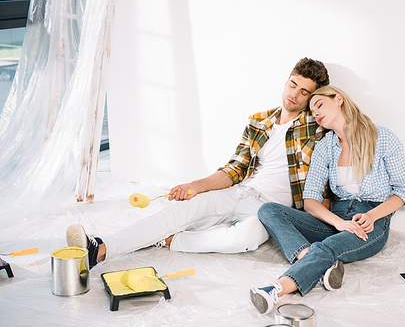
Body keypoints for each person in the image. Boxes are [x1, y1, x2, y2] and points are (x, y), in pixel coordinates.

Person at [66, 58, 331, 269]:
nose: (294, 94)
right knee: (177, 213)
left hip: (268, 210)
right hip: (238, 192)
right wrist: (195, 186)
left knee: (245, 238)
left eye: (304, 92)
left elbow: (340, 120)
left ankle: (173, 240)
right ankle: (100, 249)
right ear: (286, 81)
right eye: (293, 84)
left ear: (312, 99)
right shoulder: (259, 121)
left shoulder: (313, 127)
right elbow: (234, 169)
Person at [250, 85, 405, 314]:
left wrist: (371, 215)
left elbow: (404, 190)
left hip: (372, 220)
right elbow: (310, 201)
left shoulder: (382, 137)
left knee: (327, 246)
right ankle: (316, 263)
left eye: (319, 105)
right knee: (269, 210)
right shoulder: (325, 147)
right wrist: (338, 223)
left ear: (338, 99)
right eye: (312, 111)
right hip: (336, 217)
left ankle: (275, 289)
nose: (316, 113)